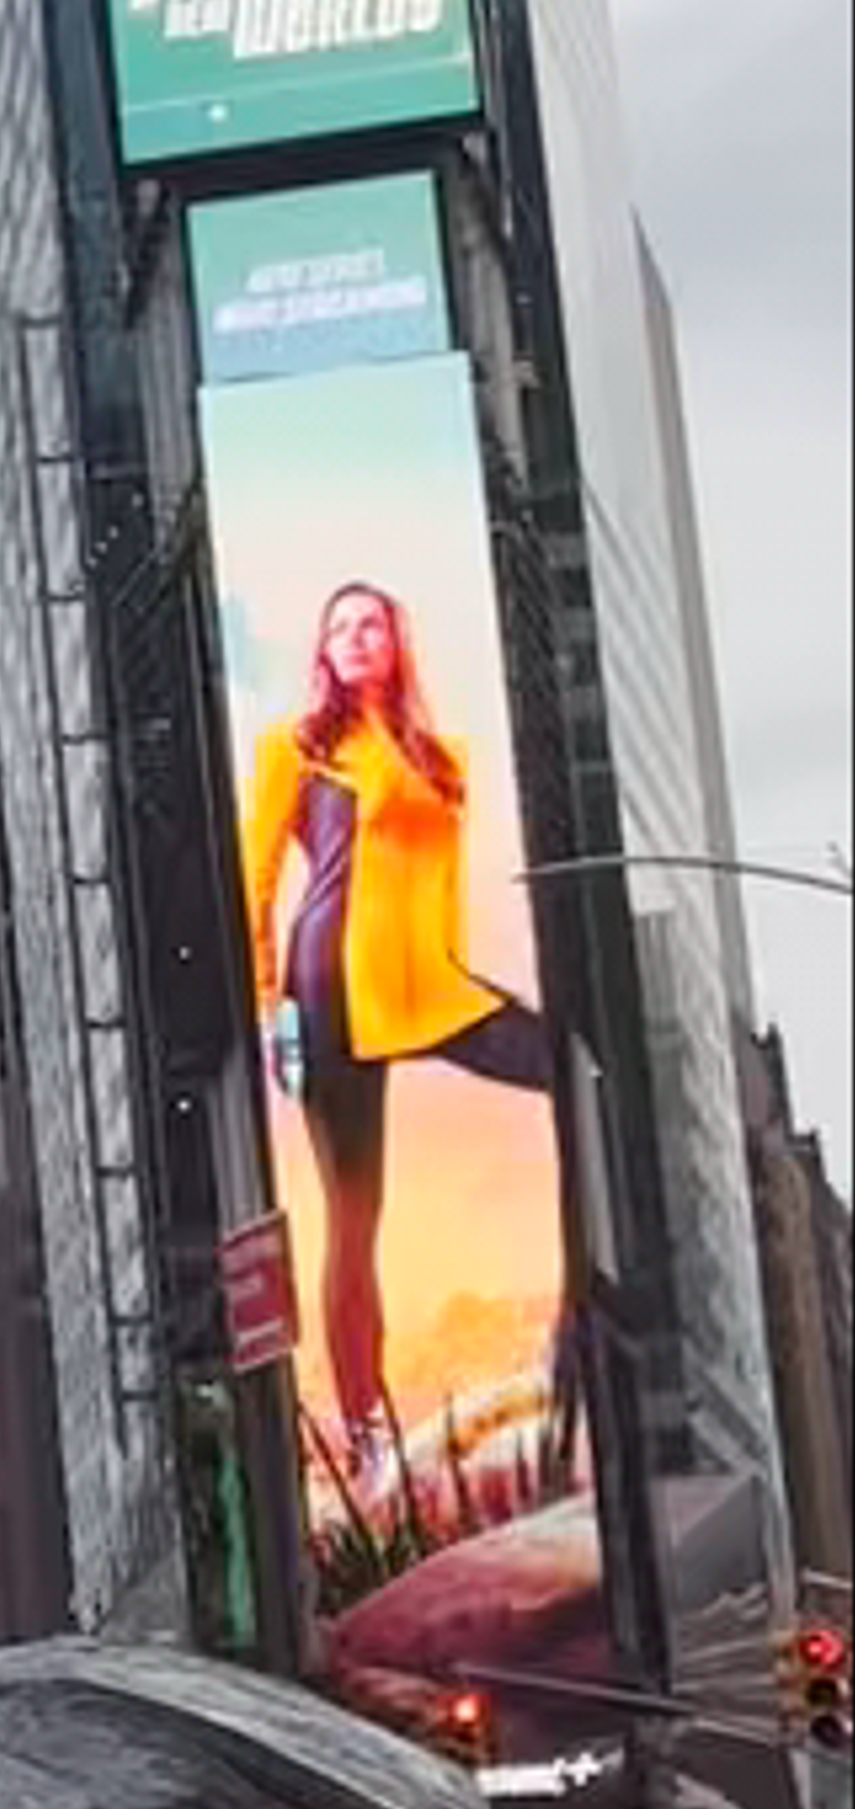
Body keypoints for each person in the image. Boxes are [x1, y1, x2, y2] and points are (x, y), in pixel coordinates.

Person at [242, 582, 557, 1496]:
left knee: (577, 1070)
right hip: (329, 988)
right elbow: (254, 882)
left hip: (430, 984)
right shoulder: (297, 751)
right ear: (322, 650)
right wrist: (274, 1007)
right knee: (354, 1216)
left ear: (396, 640)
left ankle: (586, 1311)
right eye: (335, 625)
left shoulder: (437, 757)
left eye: (368, 622)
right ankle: (366, 1427)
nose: (352, 636)